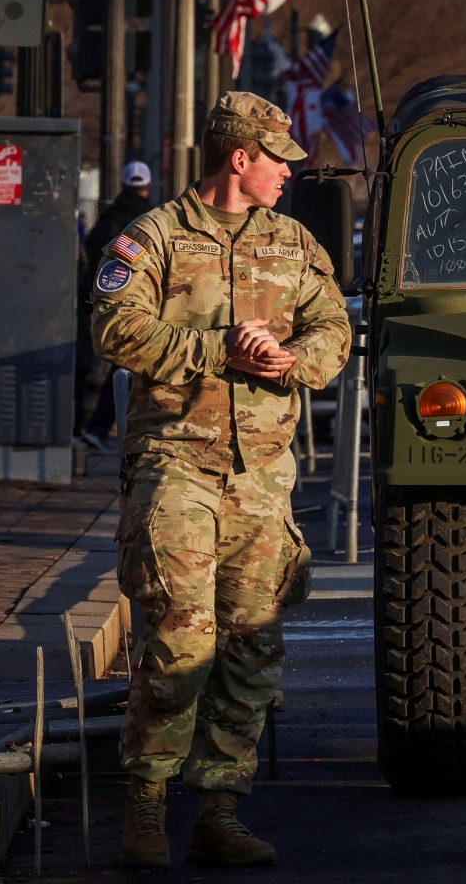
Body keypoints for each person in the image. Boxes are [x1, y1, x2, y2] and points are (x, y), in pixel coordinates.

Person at [91, 92, 352, 869]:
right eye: (278, 161)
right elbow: (115, 327)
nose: (287, 175)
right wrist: (218, 353)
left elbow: (333, 326)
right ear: (239, 158)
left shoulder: (294, 242)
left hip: (265, 475)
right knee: (176, 634)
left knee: (250, 644)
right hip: (176, 460)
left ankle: (220, 809)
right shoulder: (155, 237)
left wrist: (291, 361)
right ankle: (145, 806)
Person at [78, 161, 157, 450]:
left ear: (123, 185)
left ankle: (93, 428)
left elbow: (94, 250)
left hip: (101, 301)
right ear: (147, 186)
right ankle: (103, 428)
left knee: (111, 365)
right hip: (145, 308)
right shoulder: (153, 219)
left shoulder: (109, 218)